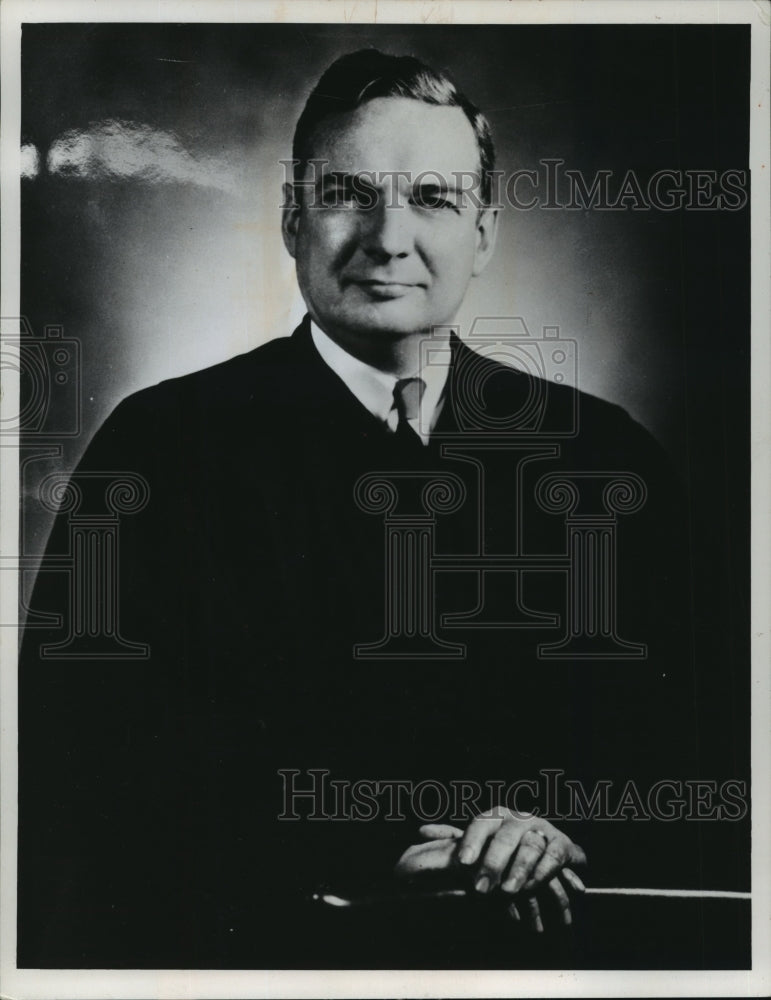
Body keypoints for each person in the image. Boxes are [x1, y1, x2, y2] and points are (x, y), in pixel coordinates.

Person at [18, 50, 699, 969]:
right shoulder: (158, 453)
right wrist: (366, 849)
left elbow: (696, 755)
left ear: (485, 232)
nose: (387, 237)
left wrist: (555, 830)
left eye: (431, 197)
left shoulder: (607, 463)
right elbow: (73, 772)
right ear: (293, 218)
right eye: (348, 193)